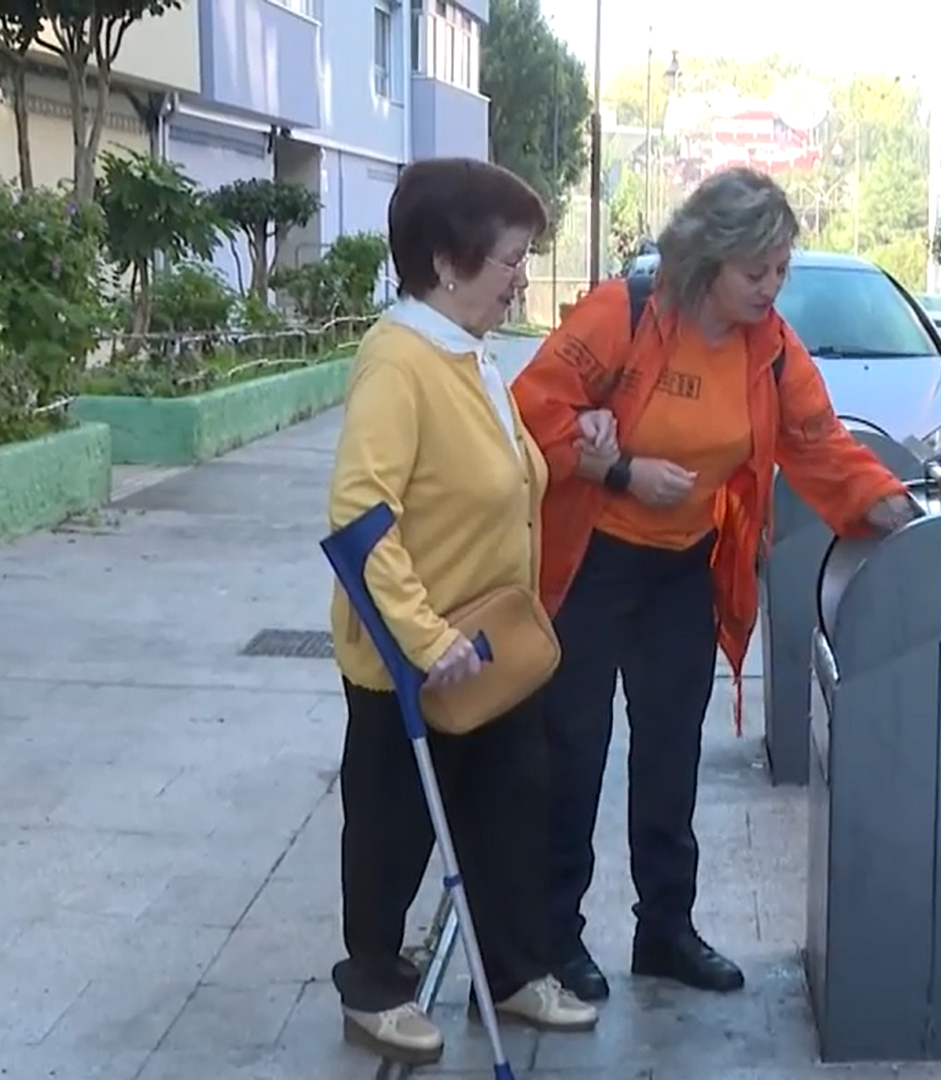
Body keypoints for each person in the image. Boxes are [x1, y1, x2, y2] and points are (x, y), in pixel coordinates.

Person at [511, 166, 918, 1004]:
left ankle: (665, 930)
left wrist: (893, 508)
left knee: (670, 755)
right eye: (755, 272)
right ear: (708, 260)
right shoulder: (622, 315)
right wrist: (620, 469)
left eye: (780, 271)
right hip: (592, 561)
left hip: (685, 570)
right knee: (574, 752)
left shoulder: (769, 348)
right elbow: (530, 412)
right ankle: (552, 938)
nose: (772, 288)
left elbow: (818, 443)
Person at [326, 157, 598, 1065]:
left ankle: (512, 972)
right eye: (511, 258)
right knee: (393, 829)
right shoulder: (398, 360)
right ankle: (372, 985)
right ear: (447, 262)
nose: (523, 275)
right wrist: (424, 638)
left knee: (513, 809)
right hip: (416, 658)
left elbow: (511, 474)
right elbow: (361, 517)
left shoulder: (471, 352)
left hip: (494, 646)